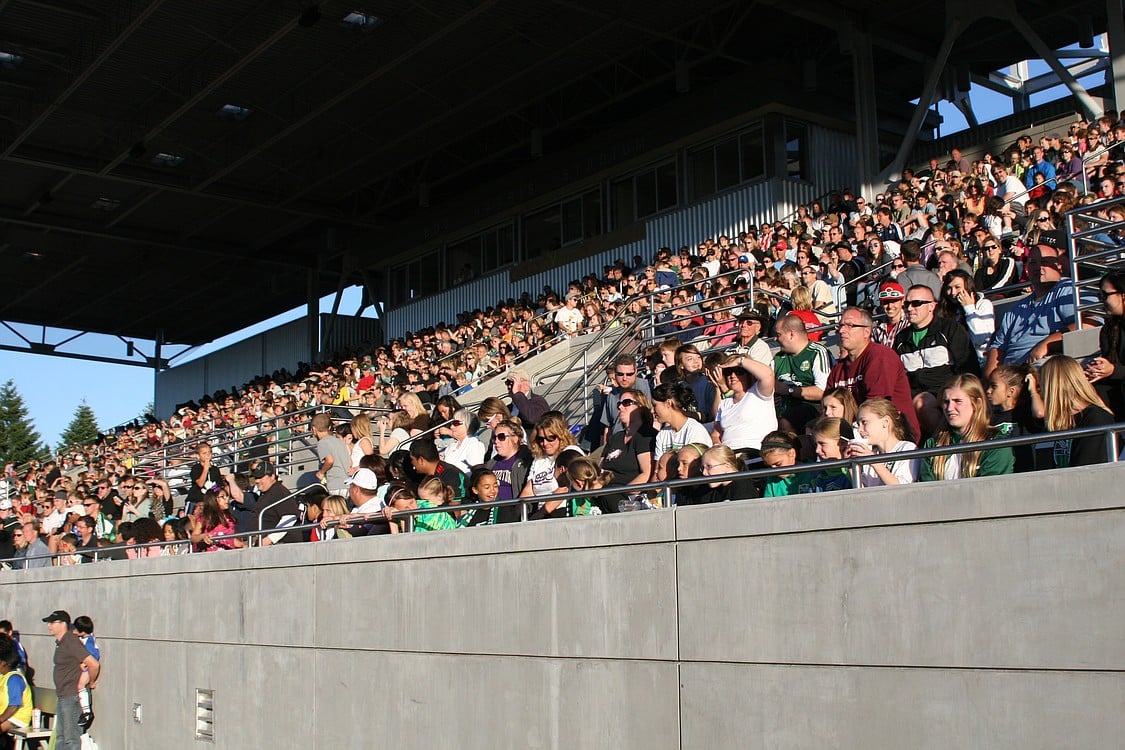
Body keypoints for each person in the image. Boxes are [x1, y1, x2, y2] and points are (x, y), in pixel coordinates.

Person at [984, 232, 1091, 376]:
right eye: (1033, 263)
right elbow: (998, 346)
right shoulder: (1016, 308)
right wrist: (990, 377)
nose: (1039, 267)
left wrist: (1047, 343)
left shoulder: (1065, 290)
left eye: (1045, 262)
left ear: (1058, 266)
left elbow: (1087, 323)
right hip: (1008, 375)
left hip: (1042, 368)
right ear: (1027, 269)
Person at [893, 284, 981, 438]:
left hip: (946, 393)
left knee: (922, 402)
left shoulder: (950, 329)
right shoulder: (901, 338)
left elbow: (968, 367)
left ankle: (947, 443)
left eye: (916, 303)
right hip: (913, 397)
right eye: (906, 304)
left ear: (931, 306)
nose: (909, 308)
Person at [826, 307, 921, 440]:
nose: (842, 331)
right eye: (841, 325)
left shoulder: (880, 357)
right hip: (853, 434)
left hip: (891, 438)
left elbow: (875, 408)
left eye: (850, 326)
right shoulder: (838, 369)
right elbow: (827, 407)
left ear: (866, 332)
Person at [920, 375, 1014, 481]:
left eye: (958, 401)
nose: (950, 408)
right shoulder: (933, 444)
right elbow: (927, 489)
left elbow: (990, 488)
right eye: (946, 402)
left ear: (977, 404)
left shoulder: (995, 443)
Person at [1028, 355, 1116, 468]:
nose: (1040, 391)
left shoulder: (1096, 418)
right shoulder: (1053, 424)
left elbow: (1089, 468)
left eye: (1040, 385)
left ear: (1052, 386)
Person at [43, 609, 99, 750]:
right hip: (63, 696)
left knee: (71, 739)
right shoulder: (62, 642)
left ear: (63, 624)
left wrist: (91, 681)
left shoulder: (70, 641)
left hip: (71, 696)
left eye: (52, 622)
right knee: (61, 737)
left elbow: (94, 664)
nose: (49, 626)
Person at [710, 353, 776, 461]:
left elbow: (768, 375)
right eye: (728, 372)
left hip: (755, 452)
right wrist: (718, 446)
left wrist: (740, 361)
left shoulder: (758, 392)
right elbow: (715, 434)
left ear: (749, 374)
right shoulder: (725, 402)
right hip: (729, 455)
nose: (733, 375)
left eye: (739, 371)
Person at [772, 315, 832, 433]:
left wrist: (788, 390)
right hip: (780, 410)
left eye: (778, 334)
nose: (775, 339)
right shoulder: (778, 358)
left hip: (810, 410)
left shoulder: (816, 352)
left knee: (786, 421)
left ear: (791, 334)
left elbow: (822, 391)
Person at [845, 398, 919, 486]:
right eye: (858, 425)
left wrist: (873, 461)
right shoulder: (872, 453)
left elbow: (902, 488)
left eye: (864, 422)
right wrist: (851, 466)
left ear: (886, 422)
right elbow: (864, 494)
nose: (860, 430)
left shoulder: (907, 448)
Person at [1085, 271, 1125, 418]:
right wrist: (1096, 371)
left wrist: (1113, 370)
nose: (1101, 300)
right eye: (1099, 296)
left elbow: (1114, 369)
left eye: (1105, 295)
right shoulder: (1109, 329)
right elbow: (1110, 363)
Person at [599, 389, 657, 488]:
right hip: (604, 490)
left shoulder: (646, 435)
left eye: (626, 403)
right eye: (619, 404)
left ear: (640, 407)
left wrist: (624, 492)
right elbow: (600, 469)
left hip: (627, 495)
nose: (620, 407)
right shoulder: (616, 437)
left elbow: (647, 473)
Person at [484, 418, 533, 524]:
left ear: (515, 438)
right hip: (491, 515)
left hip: (515, 514)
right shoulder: (490, 464)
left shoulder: (527, 461)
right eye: (494, 438)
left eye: (501, 437)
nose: (496, 441)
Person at [651, 383, 711, 464]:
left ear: (669, 403)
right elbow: (657, 470)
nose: (652, 410)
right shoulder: (662, 434)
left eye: (655, 405)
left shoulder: (695, 430)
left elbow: (693, 468)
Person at [249, 462, 304, 545]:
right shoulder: (266, 493)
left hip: (282, 546)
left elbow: (290, 517)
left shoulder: (279, 491)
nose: (257, 481)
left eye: (260, 477)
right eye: (256, 477)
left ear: (272, 476)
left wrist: (270, 539)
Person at [687, 445, 759, 504]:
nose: (704, 473)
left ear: (727, 466)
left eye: (709, 466)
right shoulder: (707, 489)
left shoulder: (743, 488)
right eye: (703, 468)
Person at [0, 636, 31, 740]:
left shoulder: (14, 679)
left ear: (3, 663)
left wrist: (1, 719)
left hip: (17, 718)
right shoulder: (3, 677)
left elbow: (15, 705)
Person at [310, 413, 350, 495]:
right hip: (348, 483)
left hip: (336, 485)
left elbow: (330, 460)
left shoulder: (322, 442)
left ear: (314, 429)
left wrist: (321, 472)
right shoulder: (339, 441)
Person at [72, 615, 99, 730]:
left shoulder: (89, 642)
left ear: (82, 631)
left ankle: (87, 712)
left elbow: (94, 656)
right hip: (84, 666)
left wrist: (84, 663)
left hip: (88, 668)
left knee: (80, 685)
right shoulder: (85, 638)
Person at [439, 409, 486, 473]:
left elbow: (476, 472)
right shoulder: (452, 446)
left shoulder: (474, 445)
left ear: (468, 425)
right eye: (452, 423)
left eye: (456, 423)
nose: (451, 427)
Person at [186, 442, 223, 513]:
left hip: (210, 502)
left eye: (209, 452)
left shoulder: (215, 469)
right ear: (198, 456)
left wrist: (214, 490)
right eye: (204, 453)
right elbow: (200, 483)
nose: (208, 455)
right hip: (196, 501)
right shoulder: (196, 468)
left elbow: (219, 486)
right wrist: (205, 468)